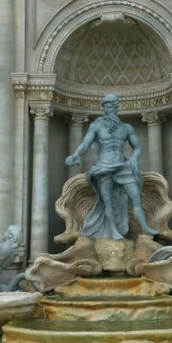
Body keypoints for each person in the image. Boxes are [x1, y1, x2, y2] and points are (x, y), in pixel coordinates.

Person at [65, 93, 157, 239]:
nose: (108, 110)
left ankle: (145, 227)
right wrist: (76, 154)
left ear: (116, 107)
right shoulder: (96, 127)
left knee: (136, 198)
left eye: (111, 106)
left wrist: (133, 158)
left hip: (123, 166)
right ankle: (113, 231)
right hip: (103, 166)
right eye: (106, 107)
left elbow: (137, 147)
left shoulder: (126, 128)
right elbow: (85, 143)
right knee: (107, 202)